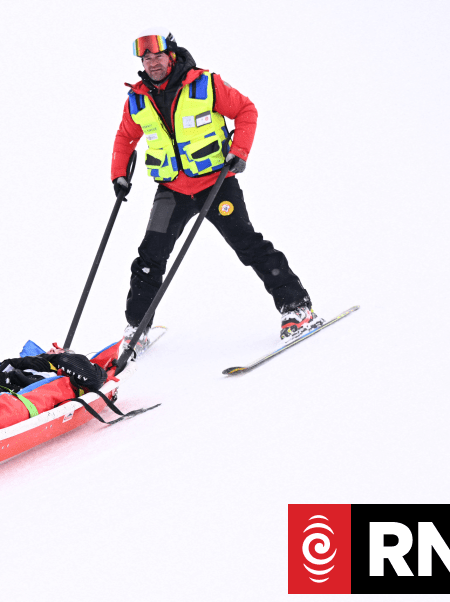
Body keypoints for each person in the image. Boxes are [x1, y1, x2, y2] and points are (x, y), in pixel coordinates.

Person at [112, 28, 322, 356]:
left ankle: (297, 308)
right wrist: (119, 175)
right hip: (172, 189)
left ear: (172, 55)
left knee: (247, 244)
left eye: (158, 55)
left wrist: (240, 151)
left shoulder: (204, 84)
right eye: (146, 58)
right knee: (150, 257)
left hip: (216, 183)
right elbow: (125, 138)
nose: (152, 63)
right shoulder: (138, 99)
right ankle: (137, 328)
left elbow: (246, 110)